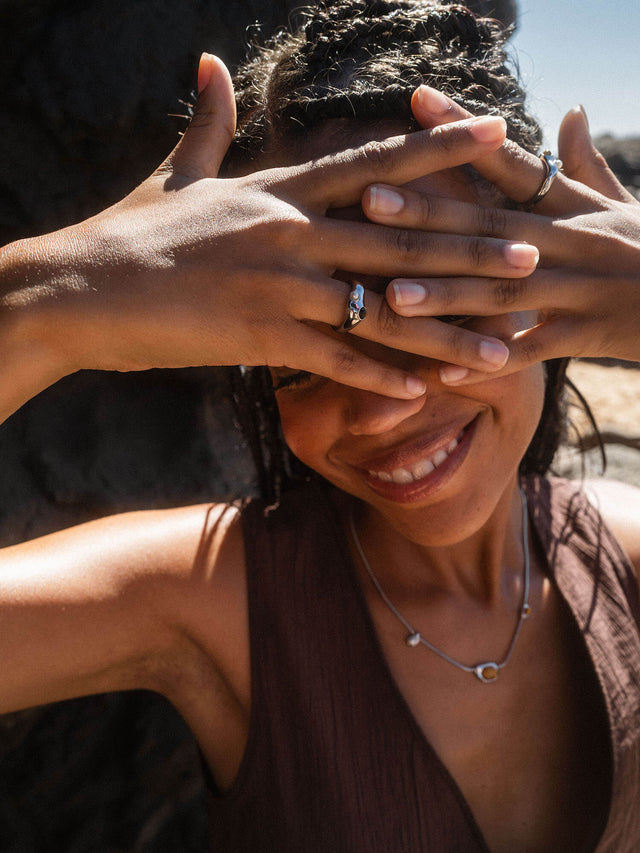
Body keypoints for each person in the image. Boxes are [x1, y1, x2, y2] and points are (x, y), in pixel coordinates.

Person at [1, 1, 640, 851]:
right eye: (305, 361)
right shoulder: (212, 600)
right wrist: (42, 306)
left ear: (548, 287)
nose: (379, 410)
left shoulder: (627, 556)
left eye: (431, 316)